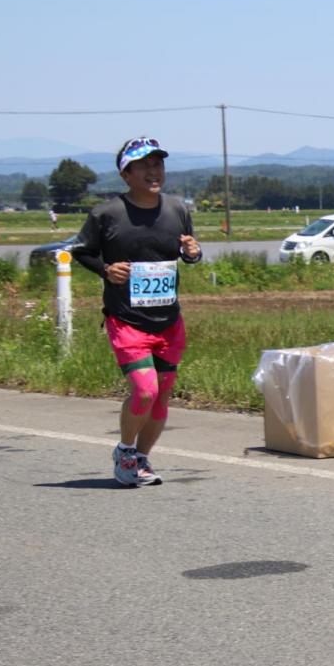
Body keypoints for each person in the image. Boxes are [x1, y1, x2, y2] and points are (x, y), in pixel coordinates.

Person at [72, 137, 202, 487]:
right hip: (126, 320)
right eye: (144, 165)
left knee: (161, 395)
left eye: (158, 164)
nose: (153, 170)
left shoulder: (177, 209)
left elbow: (187, 252)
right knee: (144, 391)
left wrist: (193, 251)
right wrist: (106, 270)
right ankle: (126, 451)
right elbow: (80, 251)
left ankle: (141, 459)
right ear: (126, 174)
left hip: (169, 322)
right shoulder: (107, 214)